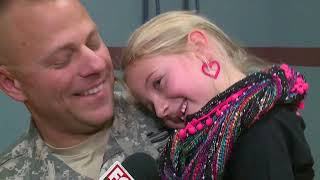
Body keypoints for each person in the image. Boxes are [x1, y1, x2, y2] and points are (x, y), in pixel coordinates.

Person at [121, 11, 315, 179]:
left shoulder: (262, 129)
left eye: (158, 83)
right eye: (149, 106)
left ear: (199, 48)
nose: (159, 110)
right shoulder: (195, 148)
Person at [0, 0, 166, 179]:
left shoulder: (169, 109)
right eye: (62, 59)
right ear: (11, 83)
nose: (97, 64)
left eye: (93, 43)